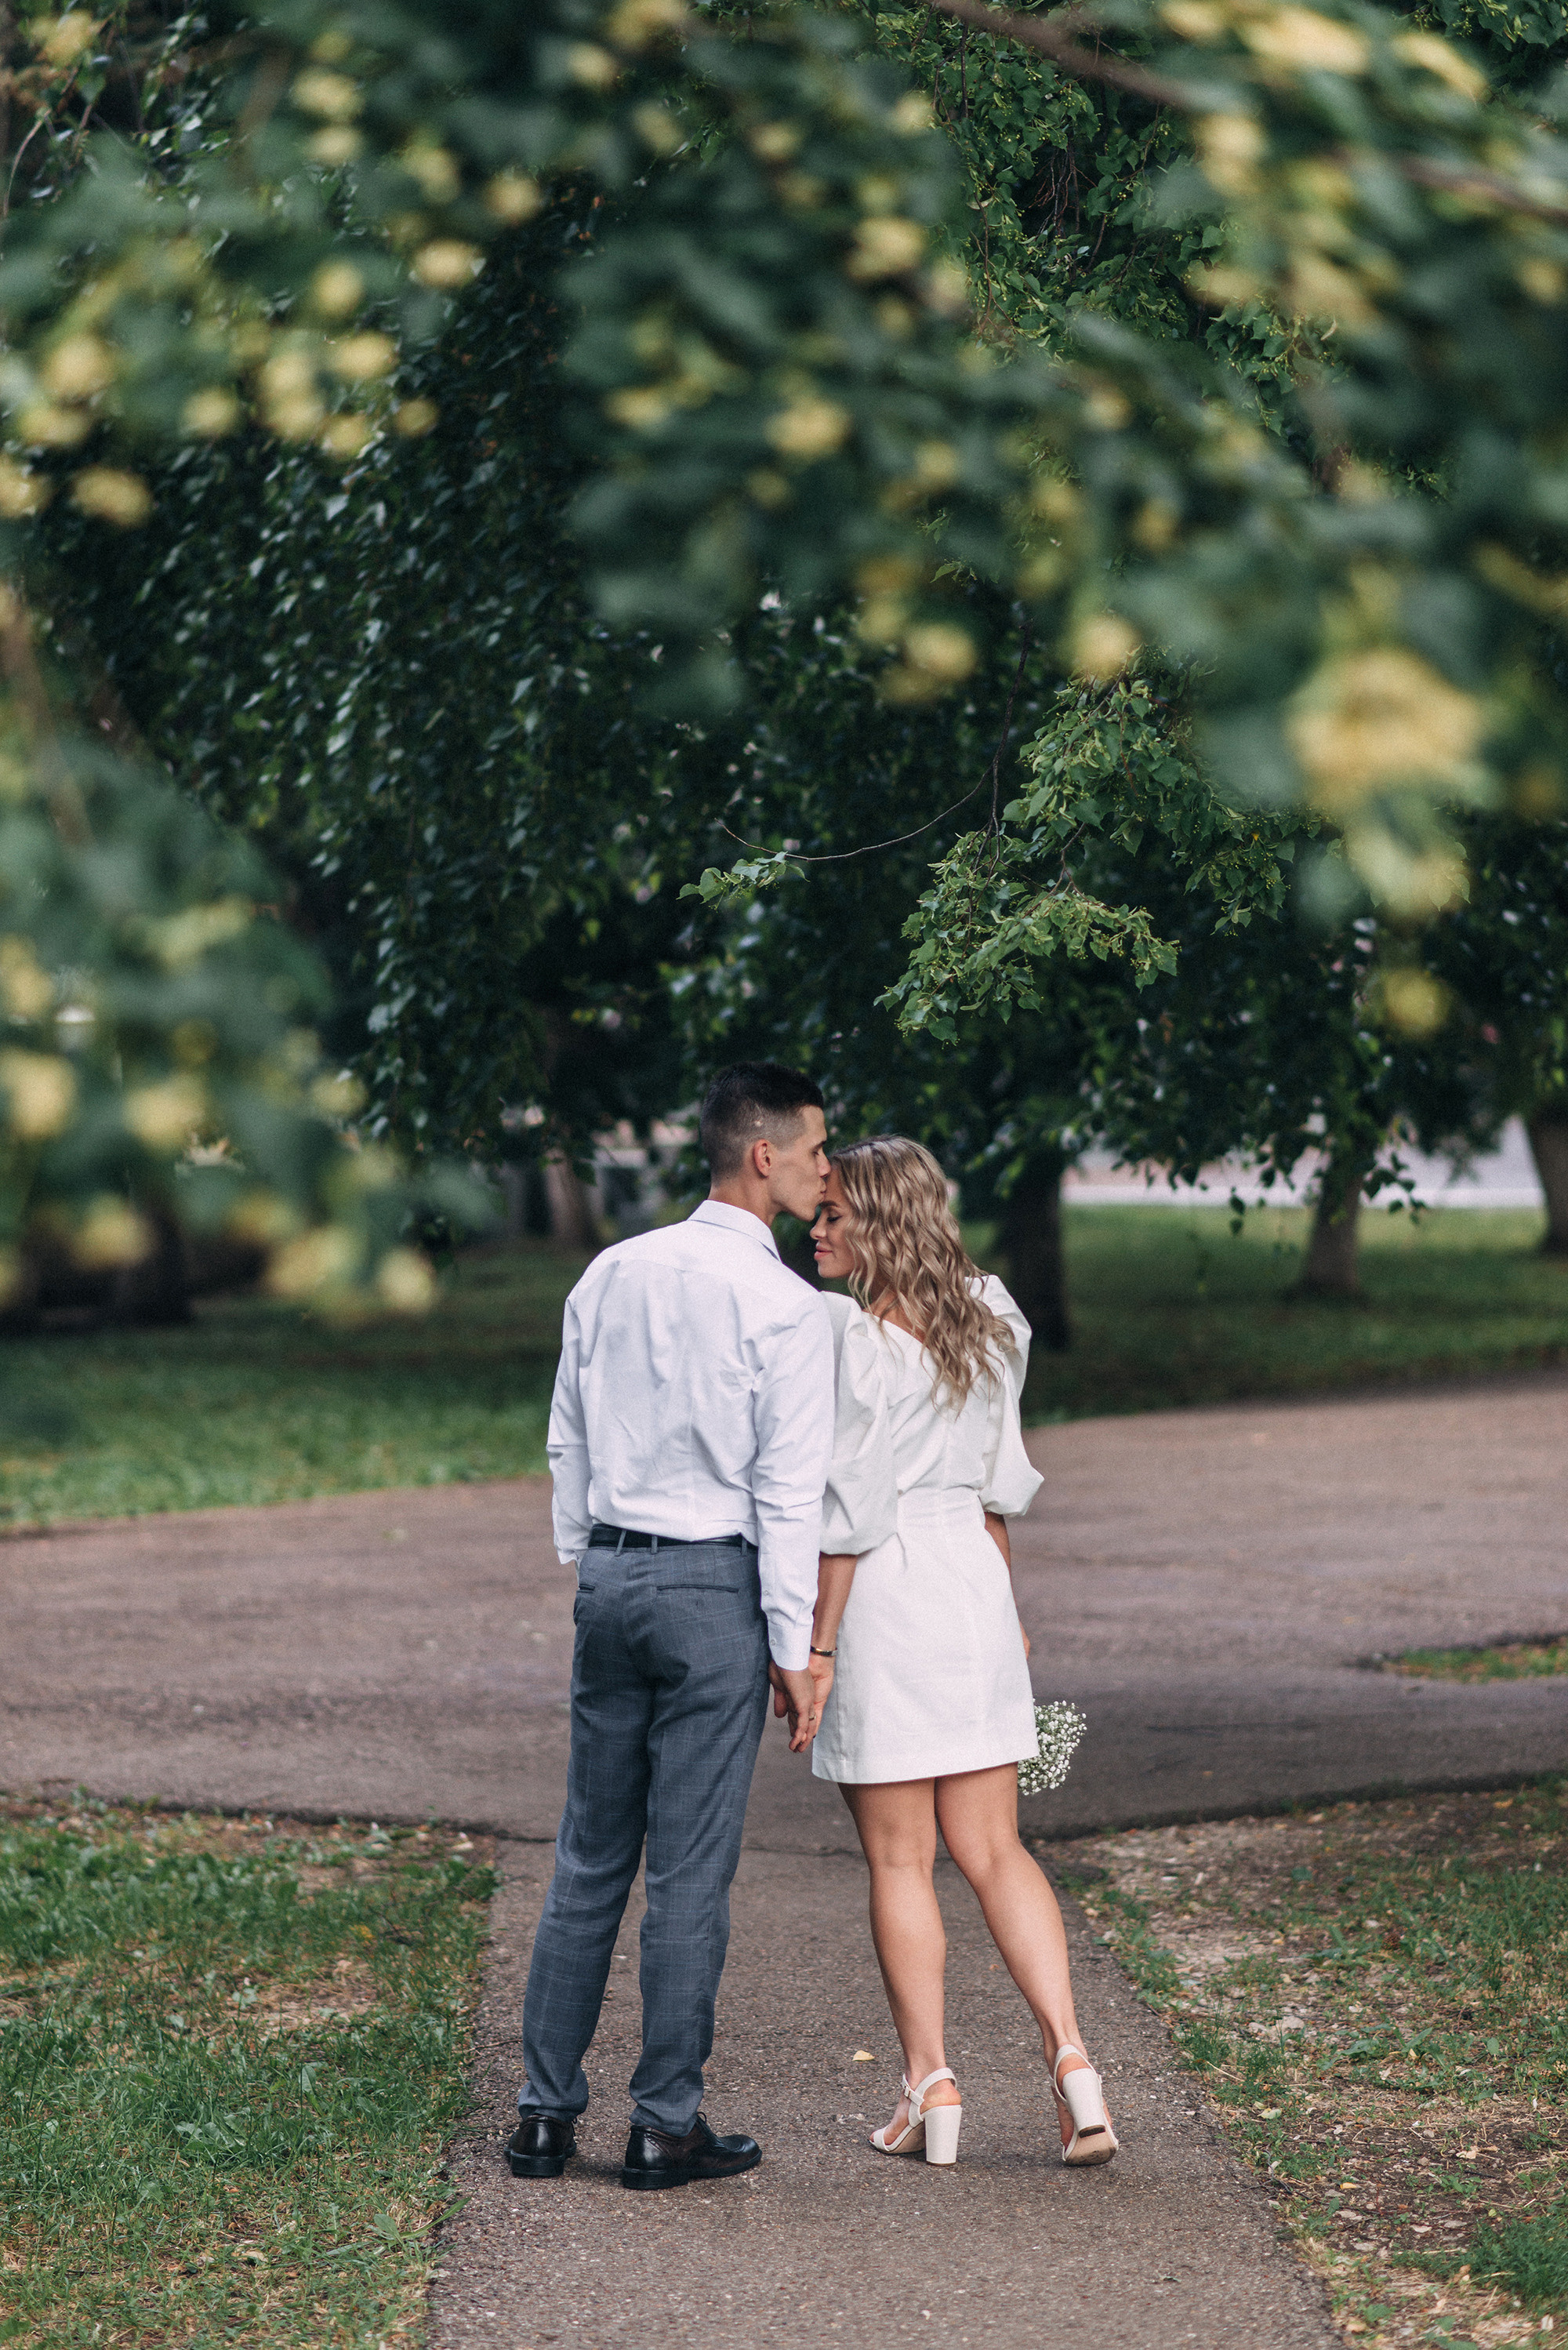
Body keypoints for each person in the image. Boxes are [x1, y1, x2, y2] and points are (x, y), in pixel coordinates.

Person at [509, 1063, 835, 2192]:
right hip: (713, 1589)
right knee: (689, 1871)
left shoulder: (613, 1271)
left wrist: (590, 1558)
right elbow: (788, 1494)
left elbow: (566, 1433)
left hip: (612, 1574)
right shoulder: (786, 1307)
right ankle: (663, 2125)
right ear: (763, 1155)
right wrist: (794, 1650)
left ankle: (543, 2118)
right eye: (815, 1152)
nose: (825, 1171)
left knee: (589, 1853)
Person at [800, 1135, 1117, 2170]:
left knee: (903, 1858)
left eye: (834, 1213)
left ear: (879, 1221)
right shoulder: (990, 1317)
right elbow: (994, 1490)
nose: (815, 1227)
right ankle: (1073, 2060)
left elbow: (848, 1515)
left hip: (884, 1587)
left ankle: (930, 2082)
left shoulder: (851, 1342)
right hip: (972, 1582)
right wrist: (1004, 1606)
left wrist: (818, 1645)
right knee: (996, 1848)